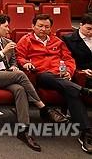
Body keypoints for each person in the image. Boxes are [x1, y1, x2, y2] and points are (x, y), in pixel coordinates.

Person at [0, 14, 67, 152]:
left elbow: (13, 59)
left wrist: (13, 66)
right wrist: (3, 52)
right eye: (6, 26)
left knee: (20, 90)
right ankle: (42, 107)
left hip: (9, 75)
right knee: (20, 75)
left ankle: (23, 130)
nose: (8, 29)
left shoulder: (7, 41)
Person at [16, 14, 92, 154]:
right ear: (33, 26)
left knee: (72, 92)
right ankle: (82, 89)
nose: (43, 29)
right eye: (40, 26)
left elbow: (68, 58)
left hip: (61, 77)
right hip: (41, 76)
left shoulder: (57, 41)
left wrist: (69, 71)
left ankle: (86, 133)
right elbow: (19, 57)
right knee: (51, 78)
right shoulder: (26, 40)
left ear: (51, 28)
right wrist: (26, 63)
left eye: (47, 27)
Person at [63, 14, 92, 79]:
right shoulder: (67, 39)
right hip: (82, 73)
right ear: (81, 25)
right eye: (89, 29)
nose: (91, 32)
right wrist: (80, 70)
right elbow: (68, 60)